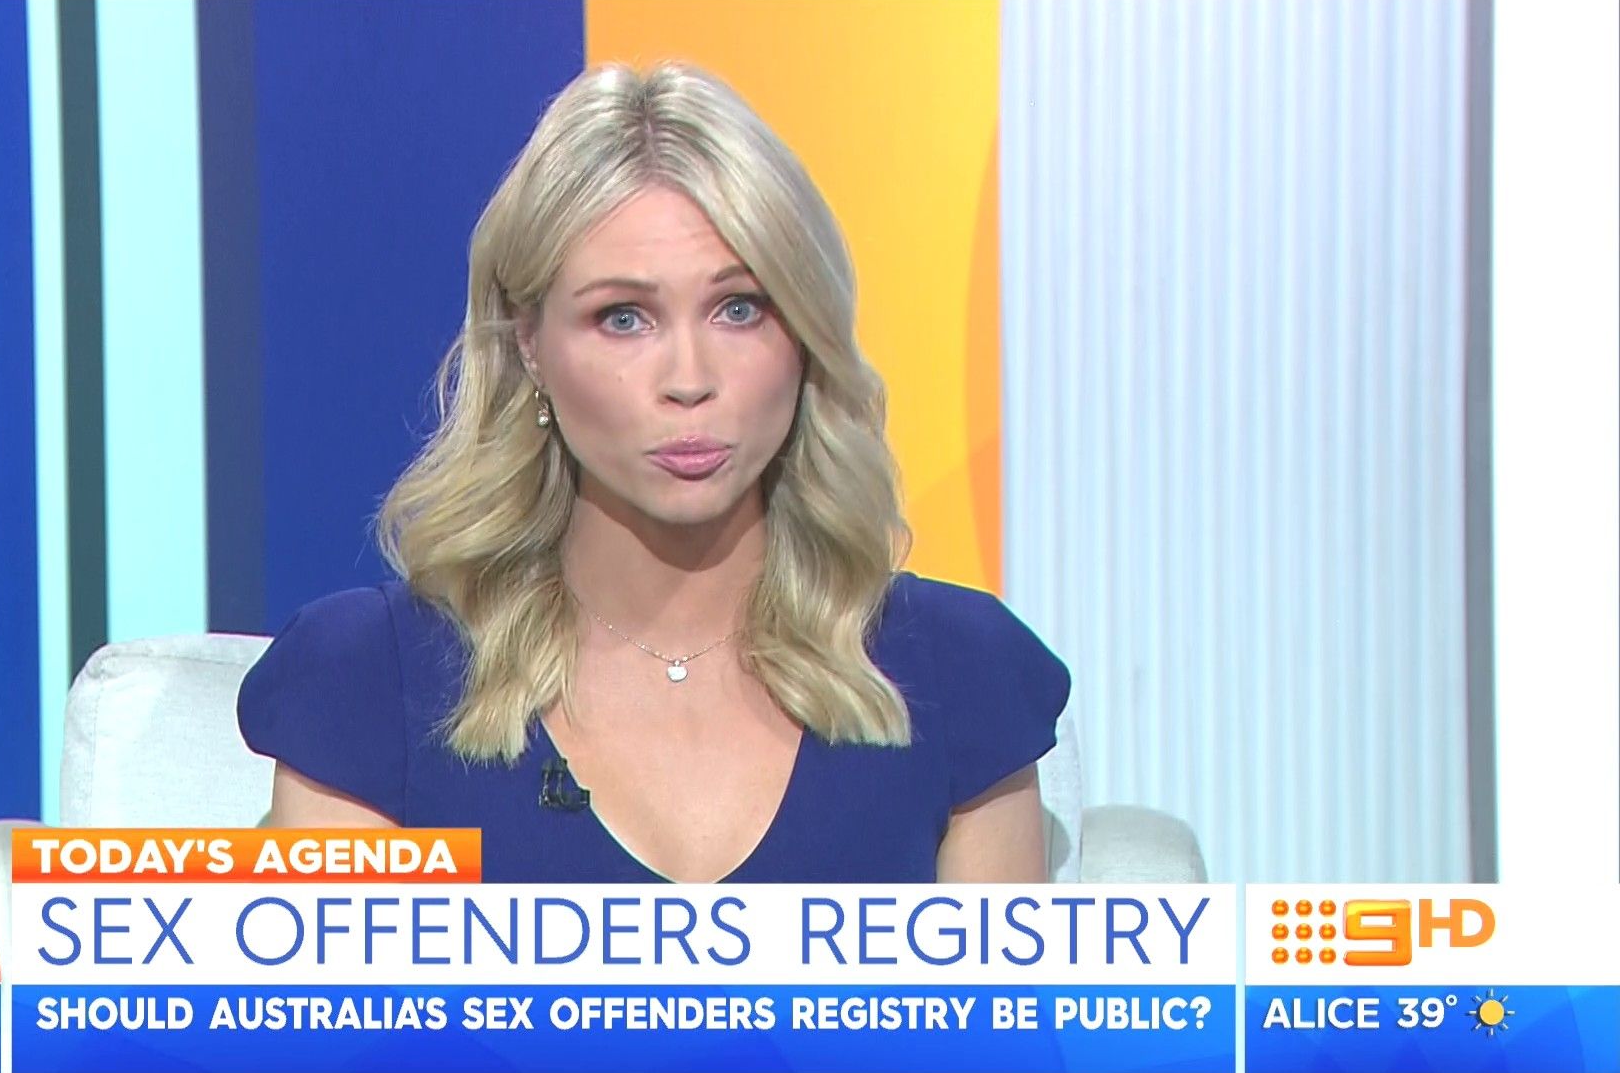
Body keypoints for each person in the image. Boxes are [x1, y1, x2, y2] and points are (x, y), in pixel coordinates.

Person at [238, 62, 1070, 884]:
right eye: (623, 318)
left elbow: (996, 983)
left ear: (806, 336)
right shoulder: (369, 688)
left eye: (739, 308)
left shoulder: (958, 674)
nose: (689, 379)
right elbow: (338, 979)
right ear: (530, 344)